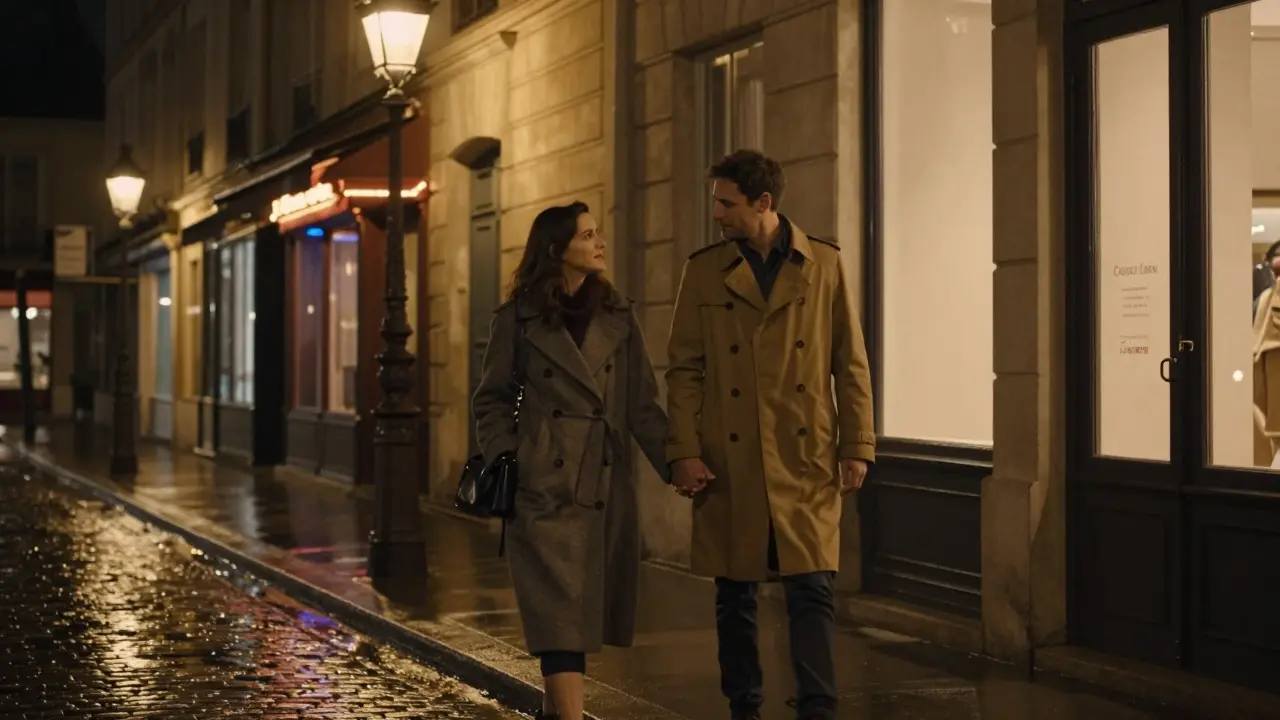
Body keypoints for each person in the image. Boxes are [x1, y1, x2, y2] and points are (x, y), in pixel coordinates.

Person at [664, 150, 876, 720]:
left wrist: (858, 446)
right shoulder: (704, 270)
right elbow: (683, 368)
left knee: (812, 589)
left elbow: (849, 363)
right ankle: (745, 706)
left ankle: (818, 706)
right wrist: (682, 450)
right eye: (716, 202)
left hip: (803, 454)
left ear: (764, 203)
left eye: (726, 203)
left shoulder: (824, 263)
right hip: (730, 457)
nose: (717, 214)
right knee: (736, 595)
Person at [472, 201, 670, 720]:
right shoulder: (517, 319)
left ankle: (555, 713)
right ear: (558, 250)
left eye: (598, 232)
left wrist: (680, 464)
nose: (600, 242)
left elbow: (642, 405)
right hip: (543, 490)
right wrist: (513, 455)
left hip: (602, 485)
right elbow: (491, 398)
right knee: (558, 622)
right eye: (588, 235)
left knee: (577, 623)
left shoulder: (619, 318)